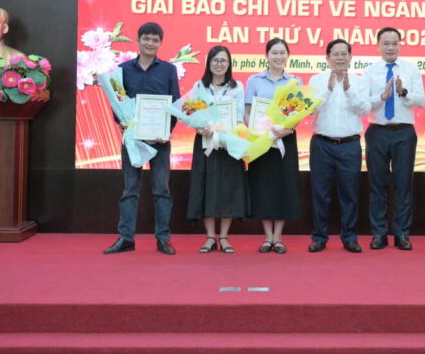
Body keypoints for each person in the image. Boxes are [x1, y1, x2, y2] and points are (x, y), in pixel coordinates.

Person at [104, 22, 180, 256]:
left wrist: (166, 131)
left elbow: (175, 103)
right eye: (146, 38)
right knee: (130, 189)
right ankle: (126, 238)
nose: (150, 43)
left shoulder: (168, 70)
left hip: (159, 140)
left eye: (155, 40)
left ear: (160, 43)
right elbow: (116, 101)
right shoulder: (123, 69)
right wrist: (121, 123)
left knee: (162, 190)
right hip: (132, 138)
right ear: (138, 40)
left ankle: (163, 238)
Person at [363, 27, 425, 251]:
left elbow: (421, 102)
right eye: (386, 43)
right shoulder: (369, 72)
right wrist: (382, 96)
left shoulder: (411, 69)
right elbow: (363, 105)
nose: (390, 47)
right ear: (378, 46)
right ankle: (379, 233)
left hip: (404, 133)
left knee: (403, 184)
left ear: (400, 44)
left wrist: (403, 92)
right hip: (377, 131)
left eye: (394, 43)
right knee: (377, 185)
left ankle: (402, 234)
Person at [307, 39, 371, 253]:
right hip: (322, 144)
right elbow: (310, 110)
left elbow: (364, 109)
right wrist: (327, 90)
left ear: (351, 58)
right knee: (320, 193)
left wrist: (348, 89)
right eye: (336, 54)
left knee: (349, 193)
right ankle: (319, 237)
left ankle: (349, 237)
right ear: (327, 58)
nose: (340, 58)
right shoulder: (316, 80)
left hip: (349, 145)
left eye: (344, 54)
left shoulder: (360, 81)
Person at [186, 45, 248, 254]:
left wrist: (224, 130)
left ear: (229, 64)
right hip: (205, 143)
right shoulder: (199, 86)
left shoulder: (237, 87)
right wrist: (199, 127)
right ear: (209, 63)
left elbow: (238, 117)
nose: (219, 64)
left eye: (223, 60)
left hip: (229, 144)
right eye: (215, 60)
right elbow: (191, 113)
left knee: (229, 188)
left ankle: (224, 237)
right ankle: (210, 237)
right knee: (206, 187)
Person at [244, 38, 302, 254]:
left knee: (283, 187)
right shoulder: (254, 80)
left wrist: (288, 128)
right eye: (274, 53)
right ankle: (267, 237)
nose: (278, 57)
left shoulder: (295, 81)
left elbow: (298, 112)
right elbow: (248, 111)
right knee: (263, 186)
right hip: (261, 140)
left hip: (285, 138)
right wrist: (256, 130)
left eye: (282, 53)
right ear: (266, 56)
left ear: (288, 55)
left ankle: (278, 237)